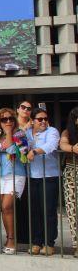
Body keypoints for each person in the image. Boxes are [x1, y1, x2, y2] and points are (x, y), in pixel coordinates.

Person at [0, 108, 28, 254]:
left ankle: (12, 239)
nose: (7, 121)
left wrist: (8, 133)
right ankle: (8, 238)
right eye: (3, 119)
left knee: (7, 206)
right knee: (4, 208)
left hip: (15, 173)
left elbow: (15, 151)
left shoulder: (19, 134)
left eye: (10, 119)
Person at [26, 107, 60, 256]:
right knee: (35, 211)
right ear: (32, 121)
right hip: (32, 176)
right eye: (40, 119)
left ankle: (49, 242)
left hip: (50, 176)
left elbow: (51, 145)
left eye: (45, 118)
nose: (43, 121)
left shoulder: (52, 131)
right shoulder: (26, 133)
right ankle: (37, 242)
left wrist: (34, 151)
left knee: (49, 211)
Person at [58, 106, 78, 258]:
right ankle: (77, 245)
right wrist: (73, 148)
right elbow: (63, 144)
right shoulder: (67, 132)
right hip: (72, 170)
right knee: (72, 209)